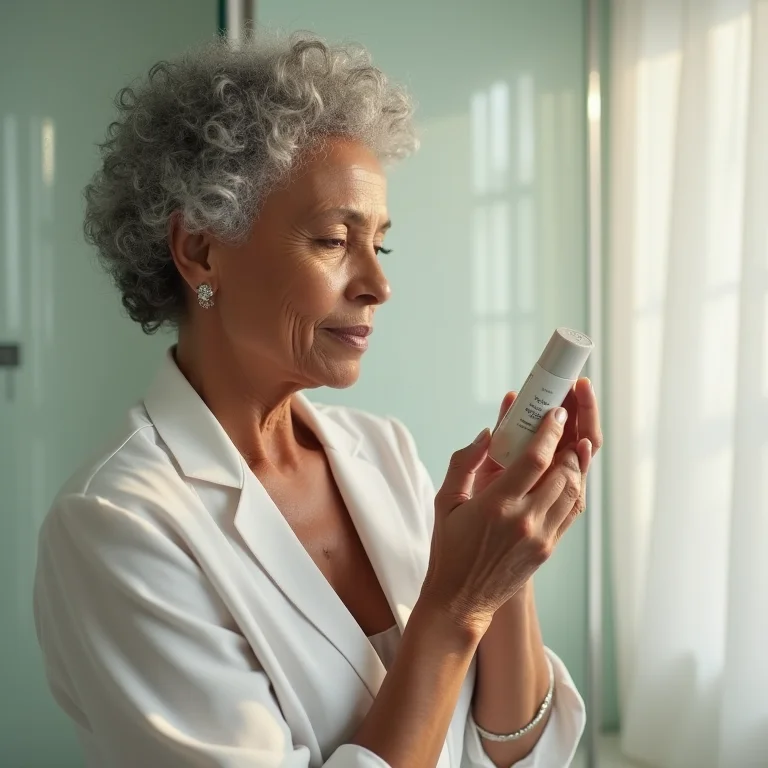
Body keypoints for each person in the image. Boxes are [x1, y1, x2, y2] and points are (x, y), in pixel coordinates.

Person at [33, 32, 602, 768]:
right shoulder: (117, 524)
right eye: (335, 240)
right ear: (200, 250)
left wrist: (501, 566)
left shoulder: (384, 451)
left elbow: (517, 752)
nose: (378, 284)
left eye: (380, 245)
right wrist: (457, 606)